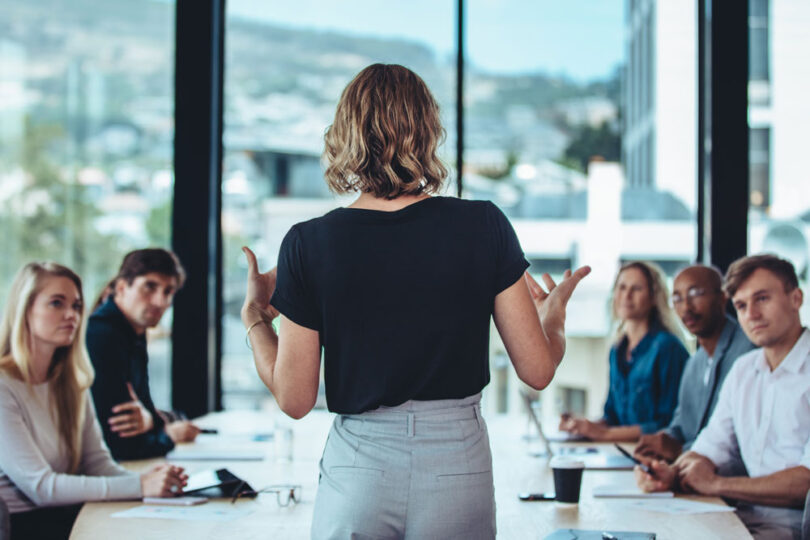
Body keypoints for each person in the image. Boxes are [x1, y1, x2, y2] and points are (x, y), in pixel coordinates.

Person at [240, 63, 589, 539]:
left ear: (344, 135)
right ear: (427, 132)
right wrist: (554, 320)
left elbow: (295, 398)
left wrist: (256, 319)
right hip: (457, 460)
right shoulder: (484, 225)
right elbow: (538, 370)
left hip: (359, 466)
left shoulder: (309, 242)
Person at [0, 262, 186, 539]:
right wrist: (140, 485)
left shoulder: (72, 382)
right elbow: (41, 488)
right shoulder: (4, 386)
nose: (71, 315)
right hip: (24, 527)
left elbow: (98, 464)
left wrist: (155, 480)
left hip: (69, 516)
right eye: (56, 303)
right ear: (25, 308)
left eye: (76, 305)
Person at [636, 254, 810, 539]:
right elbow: (710, 446)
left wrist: (716, 485)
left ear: (796, 298)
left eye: (762, 298)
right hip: (735, 520)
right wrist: (672, 474)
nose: (751, 314)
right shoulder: (744, 369)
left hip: (790, 530)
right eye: (741, 305)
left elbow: (807, 482)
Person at [633, 264, 754, 463]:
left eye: (696, 293)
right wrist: (662, 442)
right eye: (677, 298)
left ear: (722, 297)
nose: (686, 307)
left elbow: (740, 442)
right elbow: (680, 426)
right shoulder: (694, 363)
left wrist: (680, 450)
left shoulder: (748, 352)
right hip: (689, 473)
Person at [87, 248, 199, 461]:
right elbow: (120, 443)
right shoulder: (103, 335)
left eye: (168, 292)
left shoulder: (133, 332)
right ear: (121, 287)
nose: (160, 301)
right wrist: (168, 434)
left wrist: (152, 420)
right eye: (150, 287)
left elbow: (145, 409)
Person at [559, 261, 689, 441]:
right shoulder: (617, 350)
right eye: (621, 287)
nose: (626, 295)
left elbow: (669, 424)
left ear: (653, 297)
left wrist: (604, 434)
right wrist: (584, 426)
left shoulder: (668, 347)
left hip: (654, 457)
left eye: (636, 289)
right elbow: (611, 417)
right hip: (621, 452)